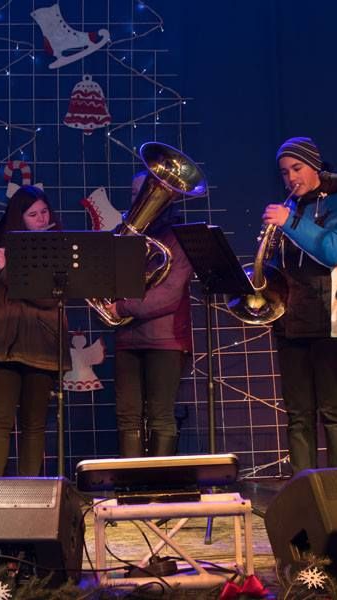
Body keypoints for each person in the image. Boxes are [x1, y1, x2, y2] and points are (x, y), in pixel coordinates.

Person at [0, 186, 70, 476]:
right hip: (2, 345)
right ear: (18, 219)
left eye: (44, 212)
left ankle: (31, 493)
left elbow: (49, 298)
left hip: (42, 346)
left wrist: (9, 270)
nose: (42, 219)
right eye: (33, 215)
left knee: (34, 425)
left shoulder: (58, 247)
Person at [263, 137, 337, 473]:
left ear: (315, 166)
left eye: (297, 168)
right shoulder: (292, 206)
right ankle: (302, 487)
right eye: (284, 172)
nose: (290, 177)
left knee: (333, 410)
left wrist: (289, 222)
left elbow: (333, 251)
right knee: (298, 414)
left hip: (330, 320)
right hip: (291, 320)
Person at [108, 171, 193, 458]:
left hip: (165, 338)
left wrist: (123, 307)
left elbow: (169, 294)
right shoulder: (123, 235)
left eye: (150, 191)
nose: (142, 199)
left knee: (161, 414)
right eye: (136, 194)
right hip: (127, 337)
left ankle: (160, 482)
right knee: (127, 416)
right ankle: (131, 482)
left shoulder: (178, 237)